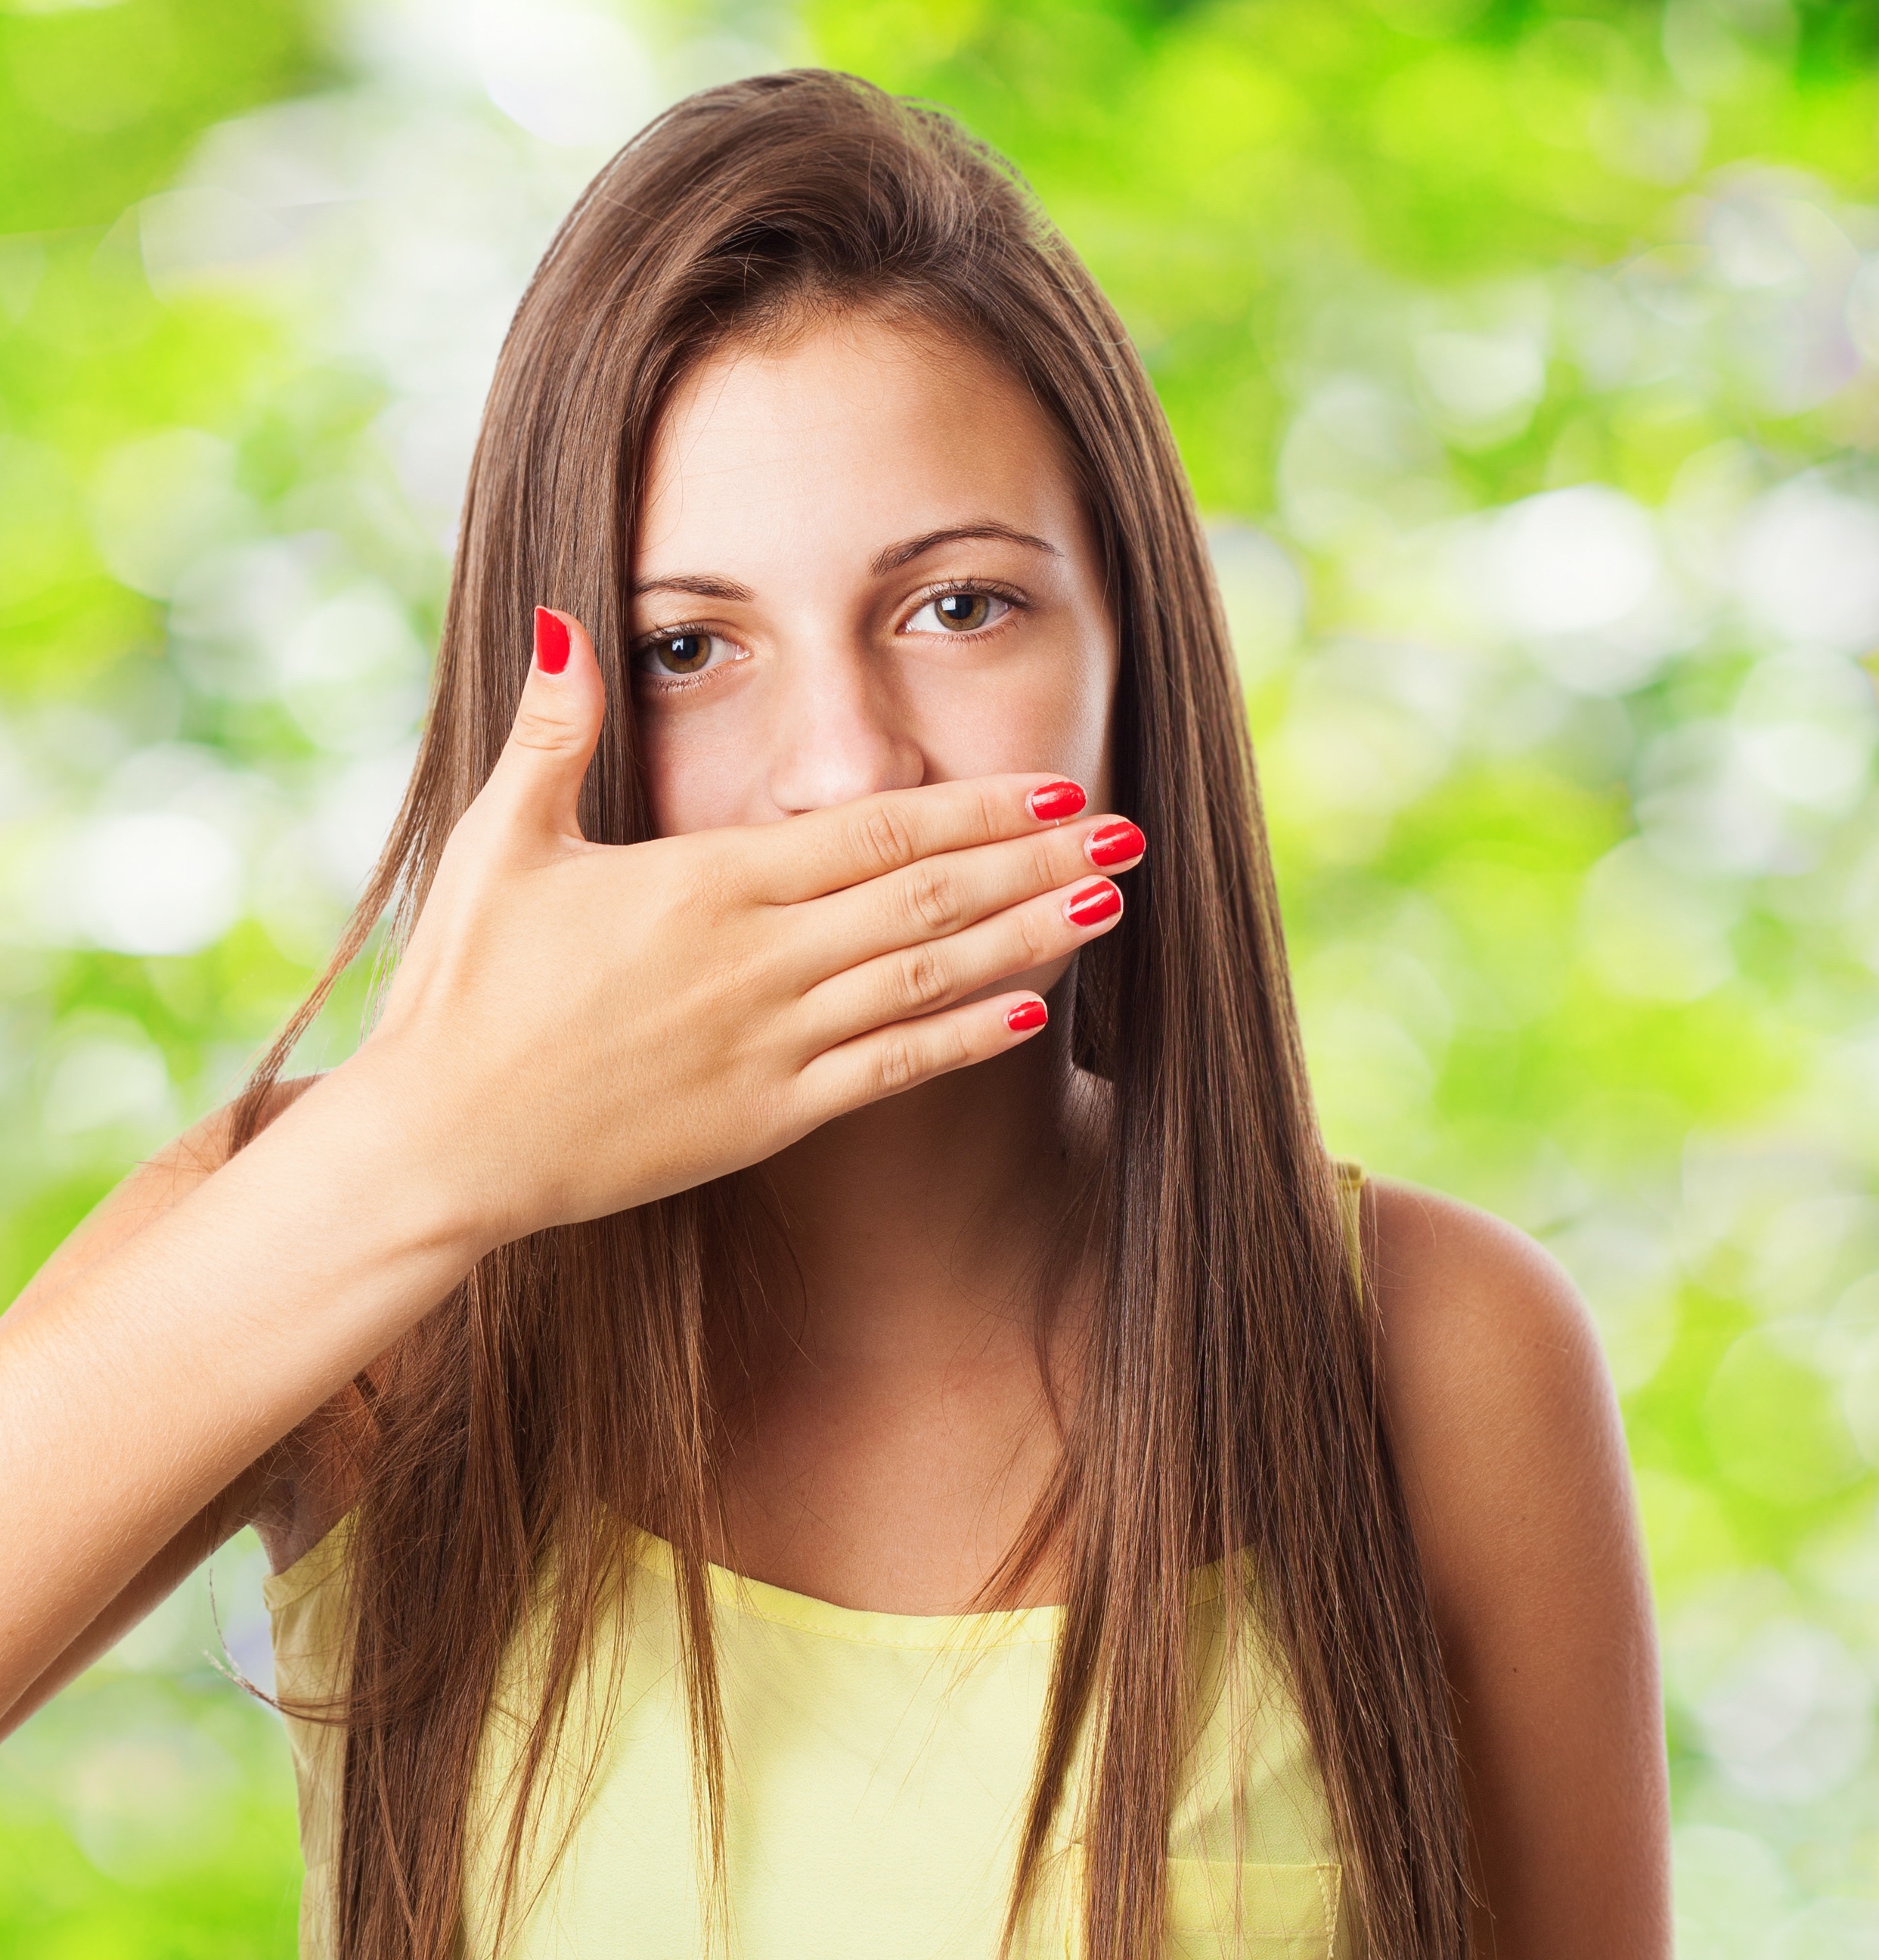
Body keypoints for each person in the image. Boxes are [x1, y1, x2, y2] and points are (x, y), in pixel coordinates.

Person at [0, 70, 1669, 1960]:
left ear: (1136, 660)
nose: (842, 772)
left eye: (958, 608)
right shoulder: (359, 1264)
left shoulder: (1434, 1355)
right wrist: (430, 1144)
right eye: (686, 648)